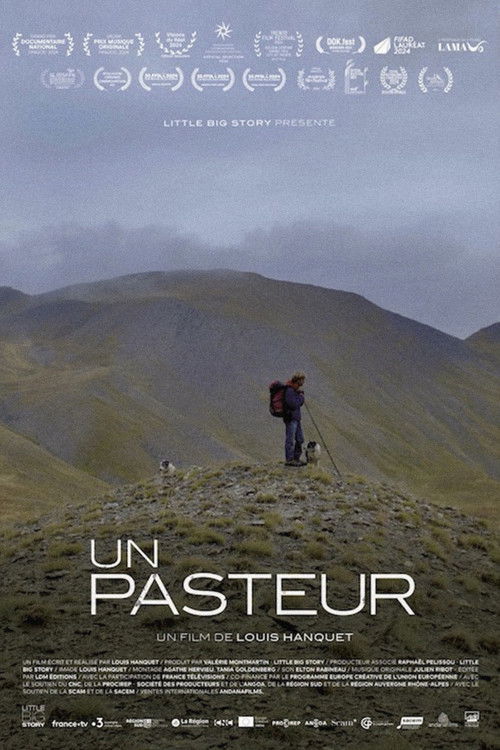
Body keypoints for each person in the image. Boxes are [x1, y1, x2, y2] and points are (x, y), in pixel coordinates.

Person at [283, 371, 306, 466]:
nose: (303, 382)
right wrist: (301, 398)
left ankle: (296, 458)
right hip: (291, 418)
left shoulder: (295, 390)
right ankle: (289, 459)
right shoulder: (289, 390)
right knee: (290, 439)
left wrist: (299, 396)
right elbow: (293, 404)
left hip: (296, 418)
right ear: (298, 380)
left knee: (300, 439)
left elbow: (296, 403)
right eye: (302, 380)